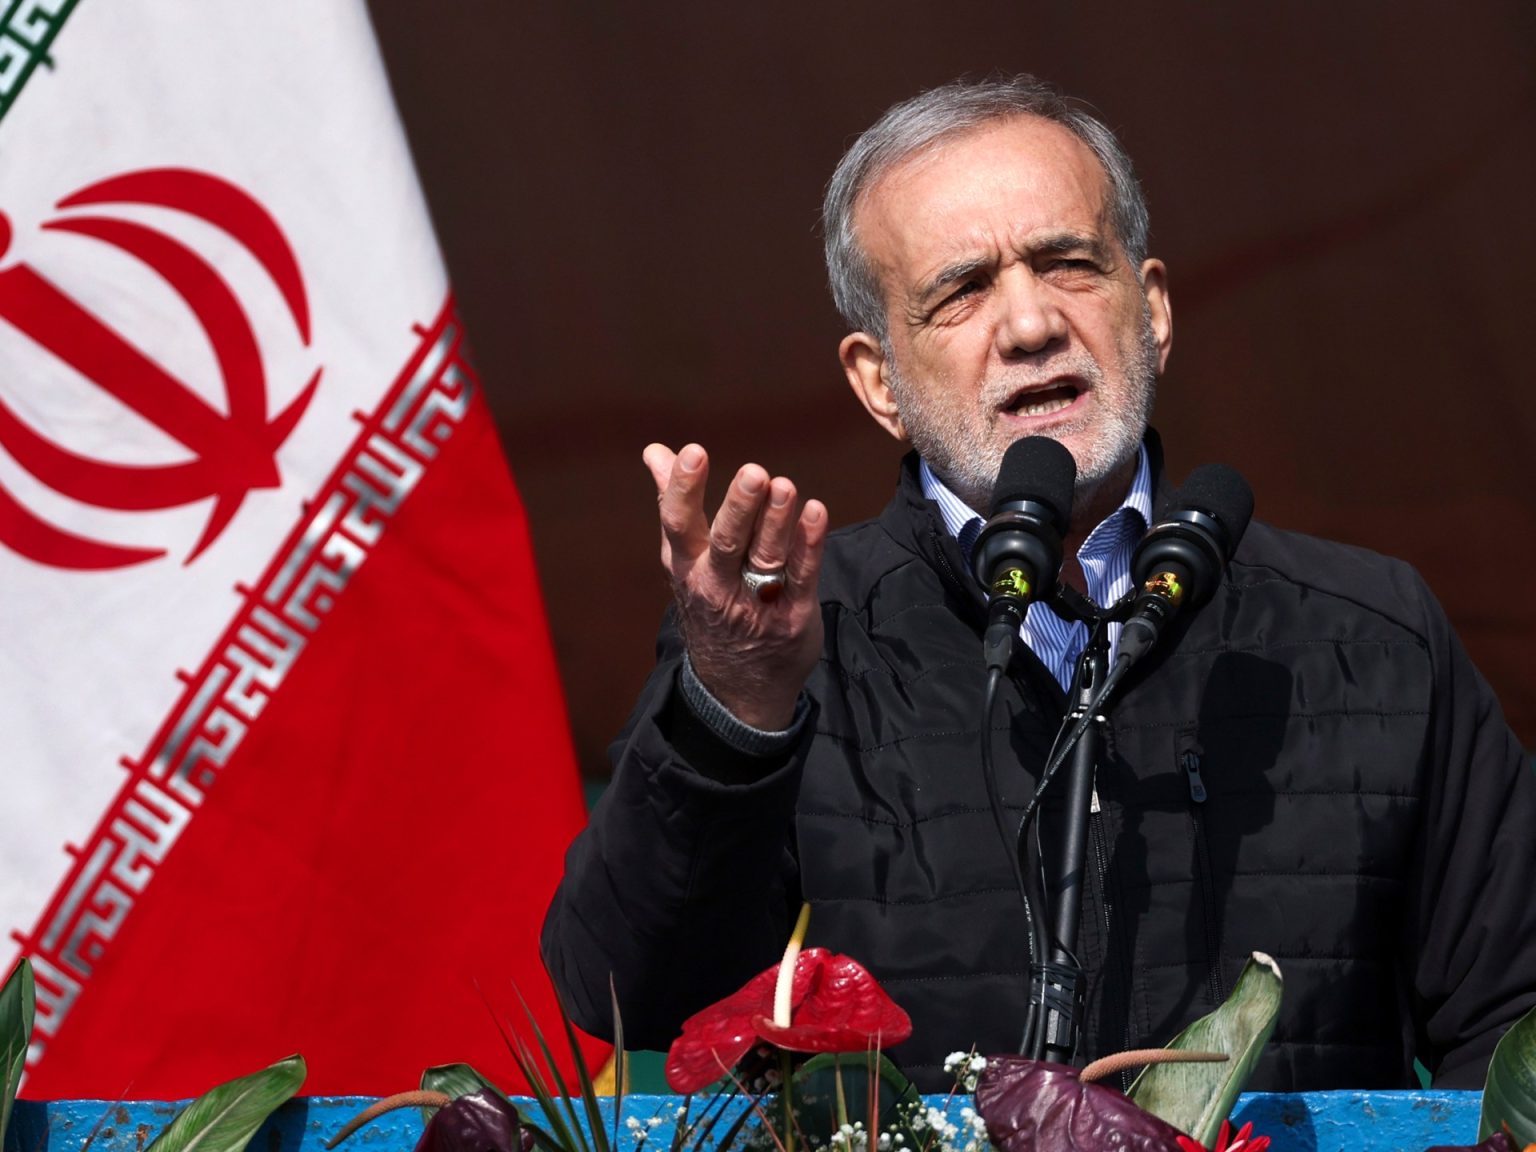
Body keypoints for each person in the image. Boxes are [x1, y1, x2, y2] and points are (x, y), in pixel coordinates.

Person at [541, 74, 1536, 1093]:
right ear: (880, 383)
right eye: (962, 291)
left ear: (1153, 312)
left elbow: (1518, 1026)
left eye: (1068, 264)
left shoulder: (1373, 636)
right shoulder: (785, 642)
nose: (1029, 324)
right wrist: (736, 715)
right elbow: (633, 991)